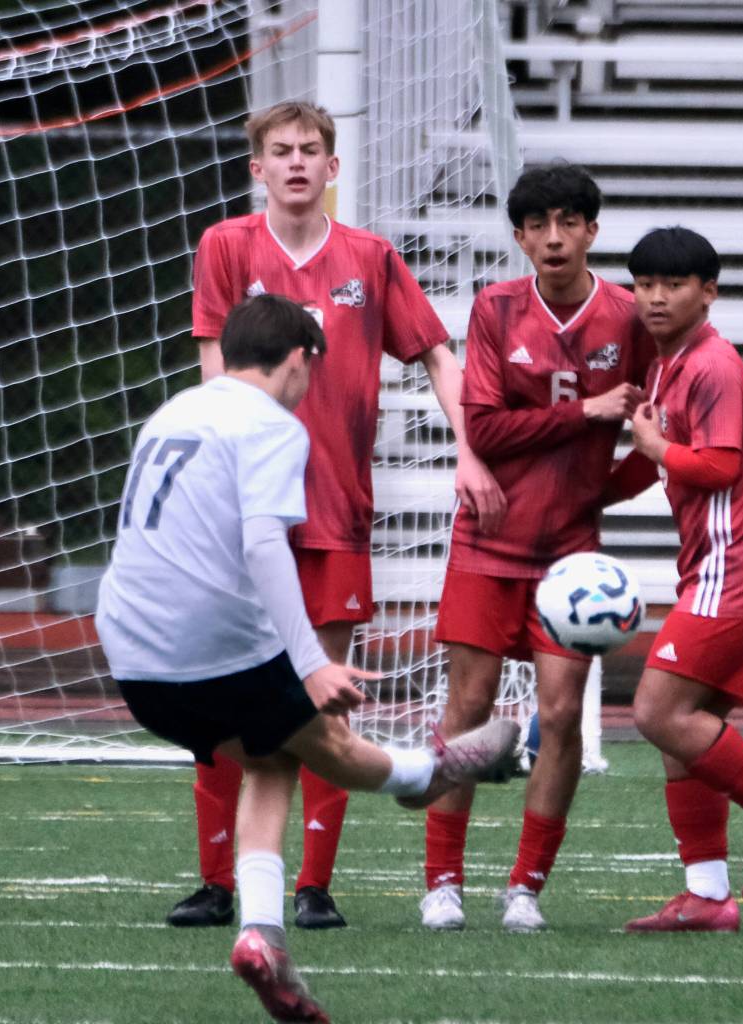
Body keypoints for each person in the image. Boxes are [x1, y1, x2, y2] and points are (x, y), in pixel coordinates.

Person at [95, 294, 519, 1023]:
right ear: (299, 360)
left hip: (130, 649)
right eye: (309, 370)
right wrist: (308, 661)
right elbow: (264, 544)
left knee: (271, 755)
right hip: (207, 641)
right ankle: (430, 772)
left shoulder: (175, 412)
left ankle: (263, 936)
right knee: (325, 746)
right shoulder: (273, 425)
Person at [169, 100, 505, 931]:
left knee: (327, 696)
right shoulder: (226, 247)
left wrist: (469, 448)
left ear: (333, 167)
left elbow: (433, 349)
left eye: (309, 150)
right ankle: (219, 884)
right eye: (278, 151)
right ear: (257, 167)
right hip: (242, 515)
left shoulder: (371, 257)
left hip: (336, 512)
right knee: (221, 695)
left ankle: (314, 885)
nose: (293, 162)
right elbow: (216, 364)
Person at [420, 164, 656, 932]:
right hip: (488, 545)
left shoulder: (627, 319)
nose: (553, 238)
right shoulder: (495, 309)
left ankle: (525, 887)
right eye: (537, 226)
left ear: (592, 228)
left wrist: (599, 492)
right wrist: (587, 412)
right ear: (519, 237)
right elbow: (482, 427)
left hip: (571, 561)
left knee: (560, 717)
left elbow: (656, 440)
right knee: (469, 705)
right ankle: (443, 883)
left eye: (568, 222)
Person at [605, 225, 743, 932]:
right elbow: (661, 459)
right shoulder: (672, 362)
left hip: (742, 562)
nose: (656, 298)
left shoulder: (712, 364)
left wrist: (655, 445)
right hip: (725, 562)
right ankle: (706, 895)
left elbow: (720, 466)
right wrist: (588, 494)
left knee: (655, 713)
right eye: (644, 285)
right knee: (683, 731)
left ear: (710, 293)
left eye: (673, 285)